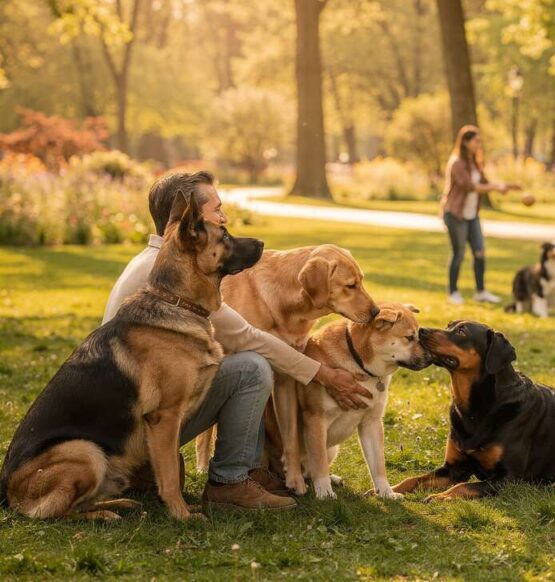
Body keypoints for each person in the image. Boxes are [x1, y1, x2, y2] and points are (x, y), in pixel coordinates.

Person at [104, 171, 373, 511]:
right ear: (187, 219)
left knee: (242, 362)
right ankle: (229, 482)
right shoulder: (168, 271)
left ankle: (254, 470)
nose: (224, 218)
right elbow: (247, 337)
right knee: (251, 368)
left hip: (137, 415)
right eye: (216, 210)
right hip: (136, 429)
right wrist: (327, 374)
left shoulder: (151, 262)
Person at [440, 125, 520, 305]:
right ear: (466, 142)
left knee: (480, 252)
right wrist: (496, 188)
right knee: (459, 253)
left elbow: (485, 183)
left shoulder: (474, 162)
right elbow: (469, 186)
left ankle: (481, 291)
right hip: (455, 214)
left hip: (471, 215)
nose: (479, 144)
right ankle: (453, 292)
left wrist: (505, 186)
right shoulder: (456, 163)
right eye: (476, 141)